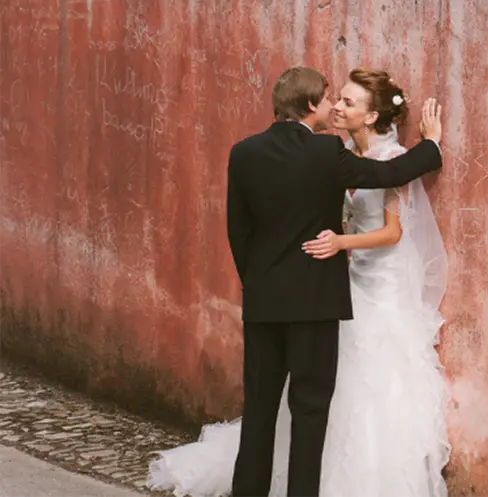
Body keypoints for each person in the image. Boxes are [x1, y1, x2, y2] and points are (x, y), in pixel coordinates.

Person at [152, 69, 453, 497]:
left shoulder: (244, 152)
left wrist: (258, 285)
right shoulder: (326, 152)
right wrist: (433, 146)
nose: (333, 108)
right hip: (315, 305)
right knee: (310, 413)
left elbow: (238, 232)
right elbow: (388, 175)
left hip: (264, 302)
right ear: (311, 106)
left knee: (259, 410)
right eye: (330, 99)